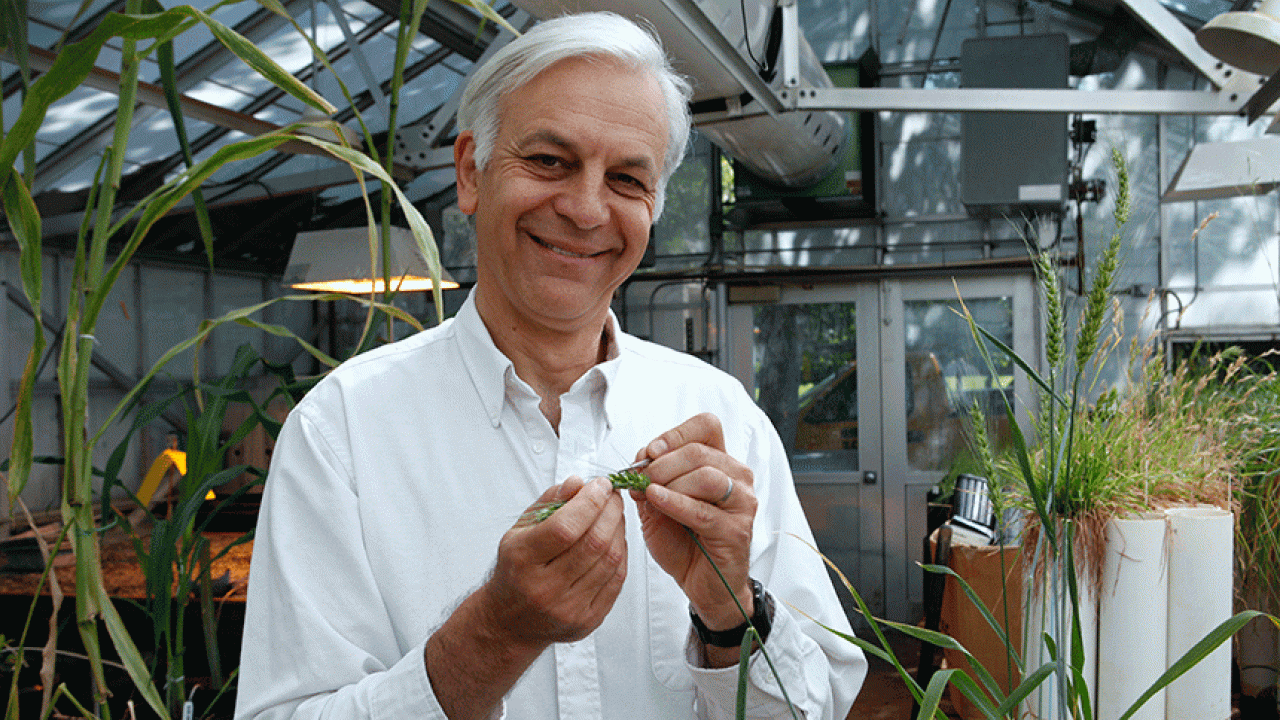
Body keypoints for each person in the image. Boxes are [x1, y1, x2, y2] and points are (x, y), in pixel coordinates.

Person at [234, 12, 866, 720]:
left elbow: (819, 707)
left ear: (654, 205)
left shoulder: (721, 421)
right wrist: (492, 636)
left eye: (627, 177)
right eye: (549, 161)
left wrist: (728, 612)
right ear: (471, 172)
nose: (586, 208)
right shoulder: (344, 431)